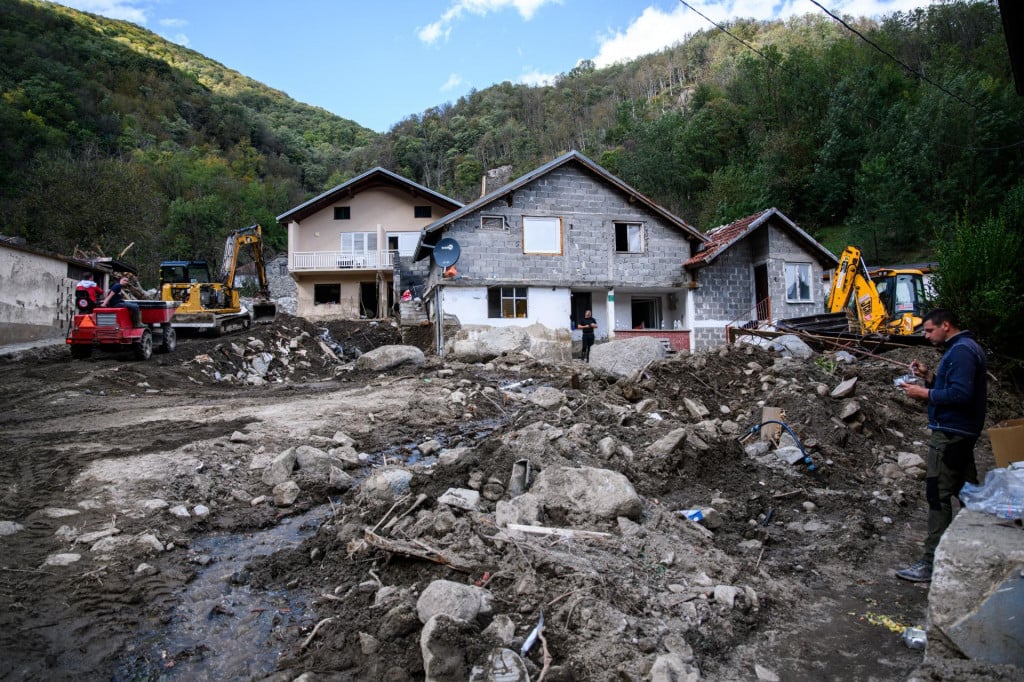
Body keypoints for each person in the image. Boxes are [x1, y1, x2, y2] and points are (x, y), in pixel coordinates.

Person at [896, 308, 987, 582]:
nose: (925, 336)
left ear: (945, 325)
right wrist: (929, 377)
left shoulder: (961, 352)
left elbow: (960, 395)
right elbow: (955, 387)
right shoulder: (964, 348)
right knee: (967, 489)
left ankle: (930, 562)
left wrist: (923, 393)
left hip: (951, 432)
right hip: (961, 430)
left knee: (938, 492)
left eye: (929, 330)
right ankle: (977, 547)